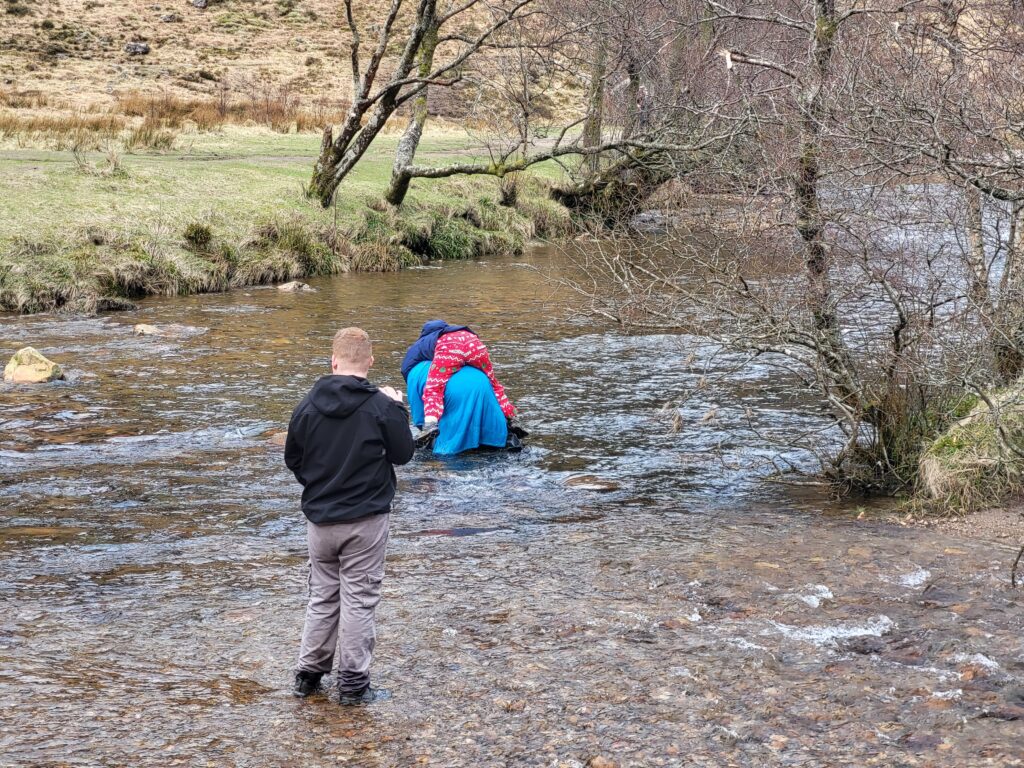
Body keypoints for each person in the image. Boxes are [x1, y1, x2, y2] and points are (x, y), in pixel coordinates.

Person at [284, 327, 415, 705]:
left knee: (323, 596)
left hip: (320, 518)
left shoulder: (307, 405)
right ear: (370, 362)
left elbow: (294, 459)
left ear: (333, 361)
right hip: (366, 518)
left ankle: (308, 676)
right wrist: (398, 408)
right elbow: (404, 454)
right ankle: (354, 685)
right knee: (359, 599)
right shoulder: (381, 406)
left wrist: (320, 485)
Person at [400, 320, 527, 444]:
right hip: (473, 343)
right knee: (493, 383)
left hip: (450, 347)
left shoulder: (423, 342)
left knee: (434, 387)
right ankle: (512, 419)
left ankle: (430, 426)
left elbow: (406, 367)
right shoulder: (457, 331)